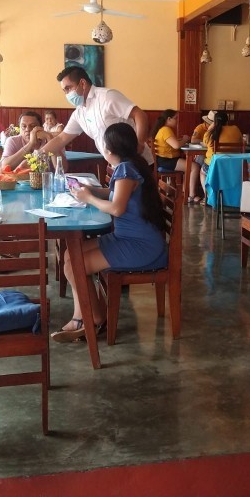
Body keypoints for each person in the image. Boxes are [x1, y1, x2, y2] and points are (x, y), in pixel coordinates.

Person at [51, 122, 168, 342]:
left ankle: (87, 319)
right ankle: (92, 316)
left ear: (109, 149)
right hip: (130, 238)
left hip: (140, 246)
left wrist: (89, 198)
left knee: (76, 264)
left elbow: (116, 207)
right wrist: (91, 190)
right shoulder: (130, 165)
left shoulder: (126, 169)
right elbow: (115, 194)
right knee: (70, 256)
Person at [39, 66, 152, 165]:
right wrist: (35, 157)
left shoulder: (107, 97)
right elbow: (61, 138)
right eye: (64, 91)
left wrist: (140, 144)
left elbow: (139, 114)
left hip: (139, 162)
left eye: (68, 88)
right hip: (117, 165)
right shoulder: (79, 112)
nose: (67, 94)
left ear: (82, 83)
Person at [152, 109, 201, 202]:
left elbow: (171, 143)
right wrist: (185, 139)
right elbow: (176, 145)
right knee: (194, 166)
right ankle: (191, 195)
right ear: (169, 119)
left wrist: (180, 140)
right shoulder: (166, 130)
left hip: (164, 159)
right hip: (166, 160)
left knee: (190, 165)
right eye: (175, 118)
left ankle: (185, 191)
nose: (177, 121)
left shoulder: (163, 129)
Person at [199, 111, 243, 202]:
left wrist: (210, 129)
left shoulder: (211, 133)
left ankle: (208, 196)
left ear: (214, 122)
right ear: (227, 121)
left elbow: (205, 143)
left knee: (202, 172)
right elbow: (240, 140)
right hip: (233, 167)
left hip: (215, 167)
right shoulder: (236, 129)